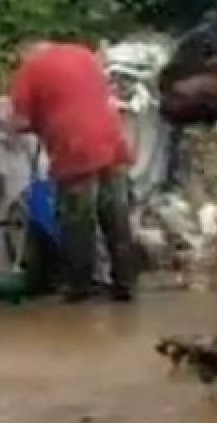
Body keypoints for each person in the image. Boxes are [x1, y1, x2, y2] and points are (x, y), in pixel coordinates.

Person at [8, 40, 139, 302]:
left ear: (24, 54)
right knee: (115, 215)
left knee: (77, 220)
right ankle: (126, 283)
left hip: (74, 147)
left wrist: (30, 123)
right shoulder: (84, 55)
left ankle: (78, 287)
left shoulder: (29, 70)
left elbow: (19, 121)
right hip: (112, 141)